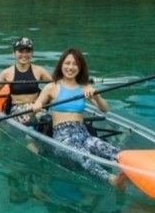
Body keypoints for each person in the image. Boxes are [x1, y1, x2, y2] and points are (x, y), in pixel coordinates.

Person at [31, 47, 126, 190]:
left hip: (83, 133)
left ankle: (130, 171)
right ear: (61, 65)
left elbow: (105, 109)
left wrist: (97, 96)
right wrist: (37, 106)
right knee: (84, 157)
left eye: (75, 64)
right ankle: (111, 180)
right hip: (63, 136)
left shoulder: (84, 87)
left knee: (112, 151)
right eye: (67, 63)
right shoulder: (51, 87)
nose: (70, 67)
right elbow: (39, 103)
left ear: (80, 67)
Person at [0, 37, 52, 123]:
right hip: (17, 110)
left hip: (36, 106)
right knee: (29, 119)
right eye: (21, 51)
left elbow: (55, 85)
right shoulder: (7, 73)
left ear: (32, 53)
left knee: (48, 120)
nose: (24, 55)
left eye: (28, 51)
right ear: (14, 53)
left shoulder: (39, 71)